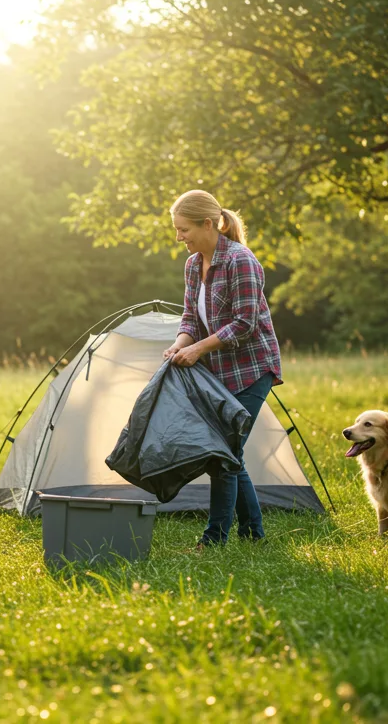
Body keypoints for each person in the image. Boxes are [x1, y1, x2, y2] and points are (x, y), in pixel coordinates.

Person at [161, 190, 283, 547]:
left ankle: (214, 538)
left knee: (222, 453)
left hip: (251, 370)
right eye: (176, 230)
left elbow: (245, 323)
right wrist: (180, 344)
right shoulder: (192, 265)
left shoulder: (241, 261)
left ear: (208, 224)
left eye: (184, 229)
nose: (179, 237)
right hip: (218, 373)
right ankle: (253, 534)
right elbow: (189, 318)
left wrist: (198, 348)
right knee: (229, 453)